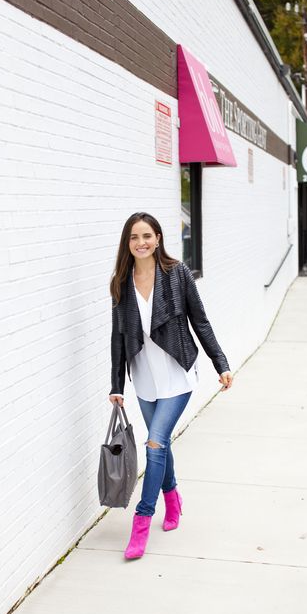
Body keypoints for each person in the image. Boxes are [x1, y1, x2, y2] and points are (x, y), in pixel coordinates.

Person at [109, 212, 233, 560]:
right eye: (134, 237)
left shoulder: (176, 274)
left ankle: (142, 521)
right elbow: (118, 338)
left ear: (159, 238)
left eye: (147, 235)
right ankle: (174, 498)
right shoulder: (121, 281)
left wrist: (220, 363)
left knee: (154, 444)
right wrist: (116, 384)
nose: (141, 242)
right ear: (127, 243)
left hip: (178, 373)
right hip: (144, 379)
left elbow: (201, 321)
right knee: (160, 446)